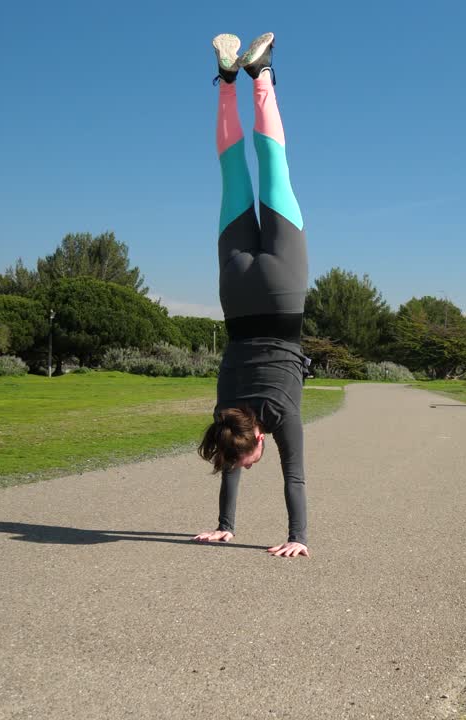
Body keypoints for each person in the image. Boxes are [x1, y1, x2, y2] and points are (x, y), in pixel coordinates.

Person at [195, 32, 310, 559]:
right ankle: (225, 81)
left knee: (275, 169)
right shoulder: (224, 412)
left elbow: (296, 480)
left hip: (283, 295)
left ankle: (261, 75)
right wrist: (224, 523)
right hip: (237, 293)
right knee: (233, 172)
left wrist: (297, 539)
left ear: (256, 439)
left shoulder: (280, 414)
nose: (240, 464)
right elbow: (228, 457)